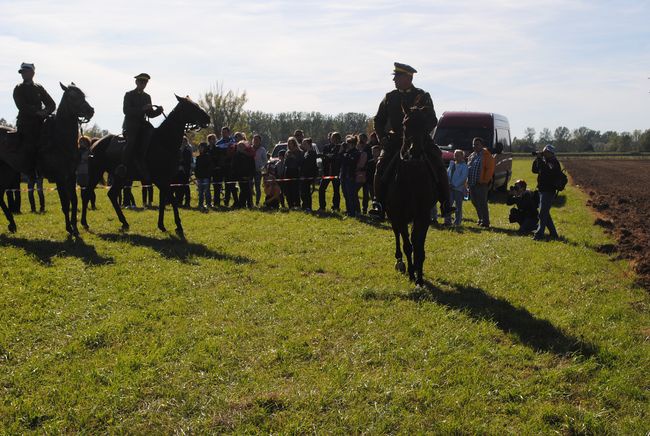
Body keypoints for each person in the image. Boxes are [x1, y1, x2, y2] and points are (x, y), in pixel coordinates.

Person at [369, 62, 451, 219]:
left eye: (397, 77)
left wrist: (419, 133)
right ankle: (378, 203)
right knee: (380, 166)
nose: (394, 80)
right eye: (395, 77)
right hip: (395, 141)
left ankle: (446, 203)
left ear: (408, 77)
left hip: (420, 140)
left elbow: (433, 119)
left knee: (438, 163)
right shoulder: (390, 97)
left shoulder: (423, 96)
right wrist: (382, 137)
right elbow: (378, 120)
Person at [13, 62, 56, 174]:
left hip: (41, 123)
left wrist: (46, 111)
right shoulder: (18, 88)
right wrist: (37, 112)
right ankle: (29, 169)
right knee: (29, 145)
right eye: (22, 72)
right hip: (25, 123)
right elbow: (21, 106)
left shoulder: (39, 88)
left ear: (32, 73)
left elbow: (51, 104)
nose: (23, 74)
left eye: (25, 72)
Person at [119, 73, 163, 179]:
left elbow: (150, 114)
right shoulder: (129, 94)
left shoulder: (147, 96)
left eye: (145, 82)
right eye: (141, 82)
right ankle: (123, 166)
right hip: (131, 126)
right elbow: (126, 111)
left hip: (143, 125)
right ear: (136, 82)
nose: (143, 84)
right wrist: (142, 109)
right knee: (132, 141)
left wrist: (158, 111)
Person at [532, 144, 562, 240]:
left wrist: (541, 160)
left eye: (546, 152)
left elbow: (547, 172)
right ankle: (553, 234)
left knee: (542, 213)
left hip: (549, 191)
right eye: (544, 151)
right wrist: (537, 159)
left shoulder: (554, 162)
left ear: (551, 153)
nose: (544, 153)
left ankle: (539, 234)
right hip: (542, 190)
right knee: (545, 213)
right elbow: (534, 170)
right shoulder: (545, 161)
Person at [467, 137, 495, 227]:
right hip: (472, 183)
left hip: (481, 183)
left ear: (482, 145)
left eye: (477, 144)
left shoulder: (487, 155)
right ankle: (480, 218)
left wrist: (484, 181)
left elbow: (490, 169)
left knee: (482, 202)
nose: (475, 146)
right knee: (474, 202)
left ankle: (486, 222)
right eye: (474, 144)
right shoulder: (472, 155)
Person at [318, 132, 342, 211]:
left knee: (336, 190)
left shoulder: (340, 147)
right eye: (332, 138)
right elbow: (324, 158)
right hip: (327, 172)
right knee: (321, 189)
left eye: (335, 138)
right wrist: (330, 157)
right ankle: (322, 206)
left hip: (336, 172)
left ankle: (336, 206)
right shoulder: (326, 147)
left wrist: (330, 157)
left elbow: (337, 158)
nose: (333, 140)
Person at [445, 149, 469, 226]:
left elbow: (463, 177)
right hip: (450, 188)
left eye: (458, 155)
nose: (456, 157)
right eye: (455, 155)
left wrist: (454, 184)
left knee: (458, 206)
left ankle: (457, 222)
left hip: (458, 189)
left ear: (462, 156)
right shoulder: (452, 164)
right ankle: (447, 221)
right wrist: (448, 183)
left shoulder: (464, 166)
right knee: (448, 205)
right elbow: (448, 174)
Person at [339, 135, 361, 217]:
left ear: (353, 143)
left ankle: (354, 212)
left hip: (351, 176)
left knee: (351, 195)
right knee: (346, 195)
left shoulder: (356, 152)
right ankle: (349, 211)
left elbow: (350, 162)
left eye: (348, 143)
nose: (346, 144)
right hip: (344, 175)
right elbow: (339, 160)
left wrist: (343, 154)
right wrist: (341, 152)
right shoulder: (346, 152)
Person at [232, 140, 256, 208]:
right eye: (239, 146)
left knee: (247, 190)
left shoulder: (249, 155)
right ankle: (244, 204)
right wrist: (240, 176)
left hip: (248, 175)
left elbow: (252, 165)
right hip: (240, 176)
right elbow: (234, 167)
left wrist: (250, 175)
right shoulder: (236, 155)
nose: (240, 147)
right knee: (245, 190)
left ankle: (245, 204)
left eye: (242, 146)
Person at [299, 138, 318, 211]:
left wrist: (306, 175)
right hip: (304, 175)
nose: (303, 145)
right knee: (303, 192)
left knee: (306, 192)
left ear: (309, 144)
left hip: (308, 176)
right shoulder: (305, 153)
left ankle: (308, 207)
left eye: (304, 144)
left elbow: (309, 165)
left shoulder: (312, 153)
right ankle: (304, 206)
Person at [284, 136, 303, 209]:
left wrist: (294, 157)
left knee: (296, 189)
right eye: (288, 143)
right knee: (288, 190)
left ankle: (297, 204)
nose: (289, 145)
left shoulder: (299, 152)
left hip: (296, 172)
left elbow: (301, 163)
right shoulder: (287, 152)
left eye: (290, 143)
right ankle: (290, 205)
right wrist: (287, 158)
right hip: (288, 172)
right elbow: (285, 164)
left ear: (294, 144)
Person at [194, 142, 213, 211]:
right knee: (200, 191)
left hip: (206, 177)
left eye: (201, 147)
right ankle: (200, 203)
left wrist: (208, 175)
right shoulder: (198, 157)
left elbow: (209, 167)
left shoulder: (208, 156)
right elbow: (197, 167)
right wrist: (196, 175)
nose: (200, 149)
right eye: (199, 148)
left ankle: (208, 203)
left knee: (207, 191)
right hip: (199, 177)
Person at [252, 134, 268, 206]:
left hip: (259, 171)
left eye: (257, 140)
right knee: (250, 186)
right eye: (254, 139)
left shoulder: (262, 150)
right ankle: (250, 202)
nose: (255, 141)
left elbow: (265, 161)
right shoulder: (250, 148)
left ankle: (257, 202)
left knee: (257, 186)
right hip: (251, 170)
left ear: (260, 141)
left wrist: (263, 172)